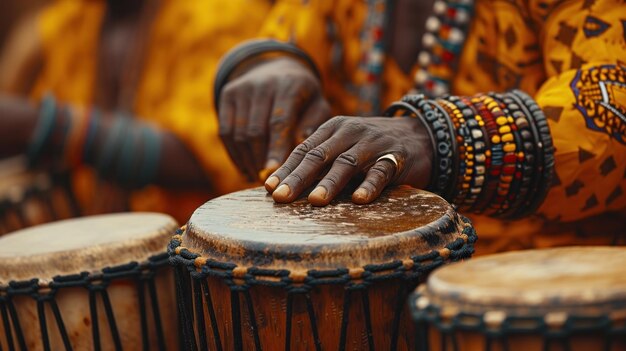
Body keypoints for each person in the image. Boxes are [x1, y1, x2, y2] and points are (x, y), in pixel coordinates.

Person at [217, 0, 626, 254]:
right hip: (370, 285)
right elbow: (285, 38)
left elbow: (610, 108)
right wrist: (270, 64)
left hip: (545, 289)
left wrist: (435, 139)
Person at [0, 0, 333, 224]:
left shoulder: (215, 12)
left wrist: (43, 126)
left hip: (198, 261)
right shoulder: (69, 23)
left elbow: (227, 159)